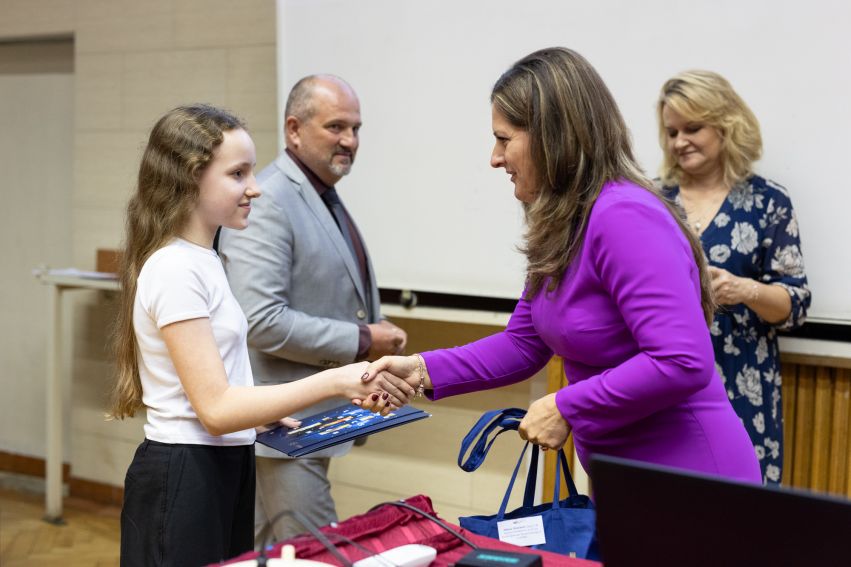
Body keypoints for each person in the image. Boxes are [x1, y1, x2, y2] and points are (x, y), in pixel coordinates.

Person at [363, 48, 762, 484]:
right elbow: (522, 345)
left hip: (691, 475)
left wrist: (565, 405)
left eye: (504, 139)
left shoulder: (622, 216)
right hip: (625, 477)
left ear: (551, 137)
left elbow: (682, 360)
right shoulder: (565, 223)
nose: (495, 158)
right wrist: (421, 370)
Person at [110, 104, 407, 566]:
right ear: (190, 177)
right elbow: (215, 409)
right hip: (185, 474)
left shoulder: (203, 258)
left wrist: (259, 415)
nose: (254, 188)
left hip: (221, 463)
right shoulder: (174, 267)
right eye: (238, 174)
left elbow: (218, 392)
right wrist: (337, 380)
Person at [218, 75, 408, 543]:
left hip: (317, 418)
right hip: (283, 426)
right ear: (294, 129)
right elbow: (261, 321)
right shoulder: (270, 201)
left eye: (356, 128)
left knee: (278, 549)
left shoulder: (322, 192)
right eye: (336, 127)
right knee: (315, 549)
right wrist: (365, 340)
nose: (350, 141)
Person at [656, 70, 810, 484]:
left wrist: (744, 290)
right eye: (671, 132)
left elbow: (795, 304)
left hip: (743, 385)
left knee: (740, 521)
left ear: (725, 124)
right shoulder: (653, 200)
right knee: (660, 511)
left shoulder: (768, 202)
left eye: (693, 128)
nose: (679, 141)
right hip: (661, 384)